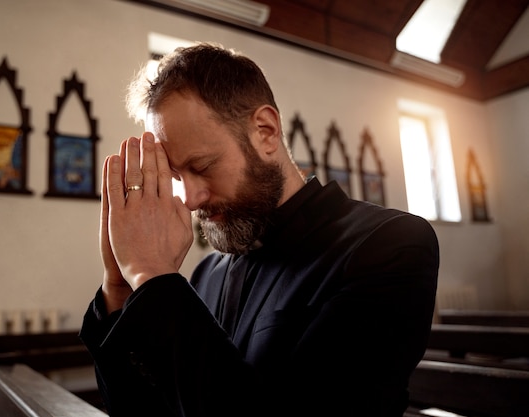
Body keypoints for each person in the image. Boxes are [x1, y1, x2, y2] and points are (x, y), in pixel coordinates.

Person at [79, 42, 439, 417]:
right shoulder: (207, 274)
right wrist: (119, 287)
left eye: (201, 166)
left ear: (265, 131)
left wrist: (153, 274)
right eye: (175, 176)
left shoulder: (389, 244)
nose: (189, 198)